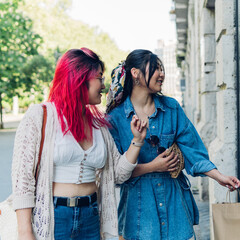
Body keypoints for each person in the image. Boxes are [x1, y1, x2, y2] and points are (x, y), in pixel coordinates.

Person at [11, 48, 147, 240]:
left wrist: (137, 141)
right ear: (80, 78)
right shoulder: (40, 116)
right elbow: (22, 178)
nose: (103, 84)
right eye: (99, 77)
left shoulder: (99, 126)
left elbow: (118, 174)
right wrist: (25, 232)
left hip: (91, 217)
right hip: (55, 215)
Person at [106, 49, 240, 240]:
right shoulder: (115, 118)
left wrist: (219, 177)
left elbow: (192, 150)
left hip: (174, 205)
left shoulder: (171, 108)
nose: (162, 74)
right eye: (155, 68)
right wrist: (153, 167)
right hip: (139, 211)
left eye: (162, 69)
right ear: (135, 73)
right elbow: (114, 172)